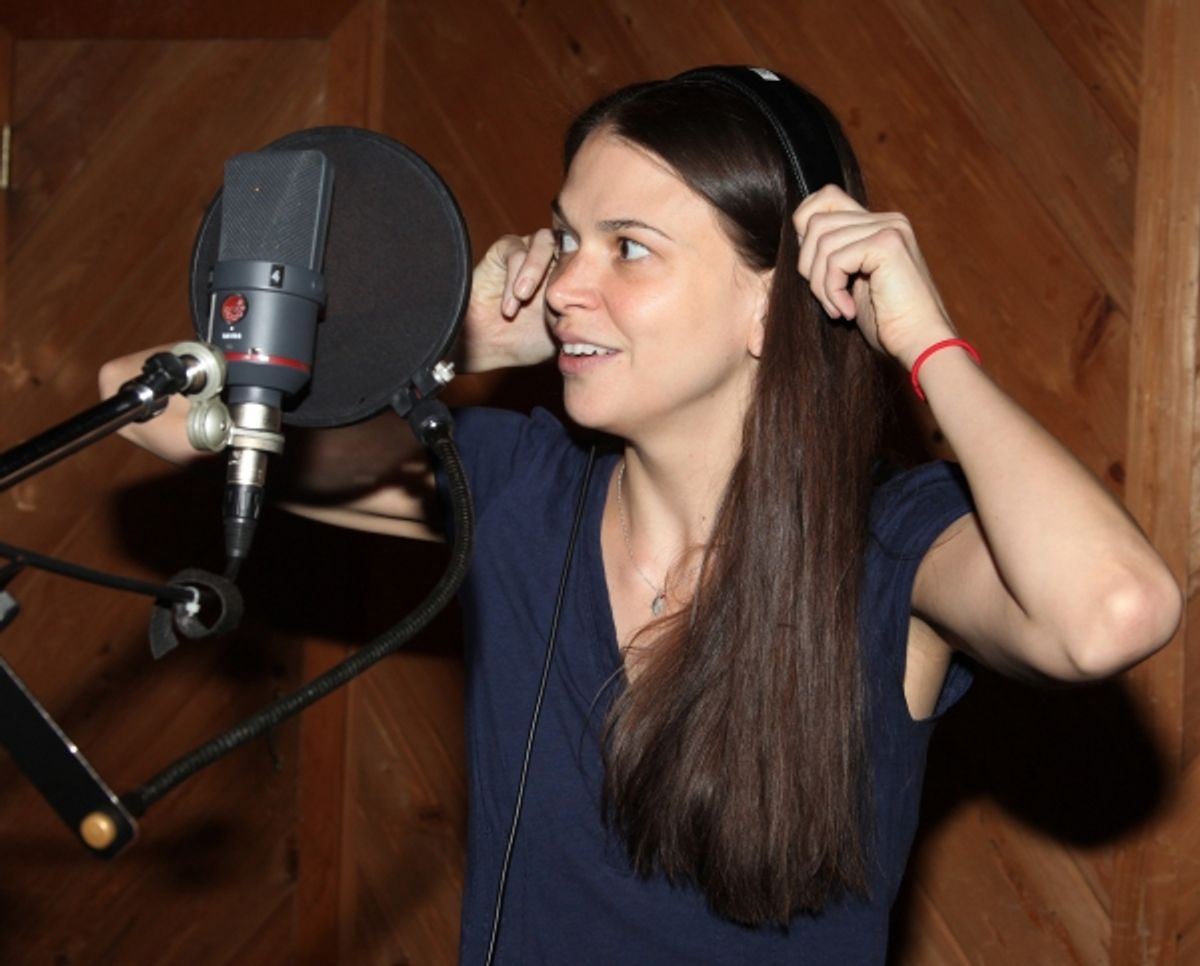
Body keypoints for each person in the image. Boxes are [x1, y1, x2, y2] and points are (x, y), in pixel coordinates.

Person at [101, 67, 1181, 963]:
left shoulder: (894, 542)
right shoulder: (519, 486)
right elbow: (143, 407)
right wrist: (453, 337)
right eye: (566, 239)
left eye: (629, 248)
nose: (568, 283)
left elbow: (1113, 612)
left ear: (774, 301)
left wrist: (926, 343)